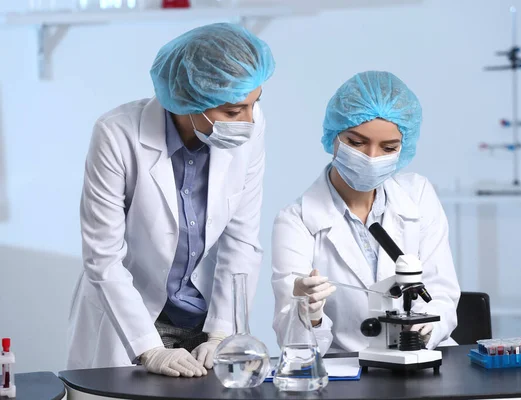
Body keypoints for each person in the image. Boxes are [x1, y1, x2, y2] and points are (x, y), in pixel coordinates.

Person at [66, 23, 275, 378]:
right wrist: (149, 349)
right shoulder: (117, 135)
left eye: (255, 104)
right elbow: (102, 256)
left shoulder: (249, 131)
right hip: (133, 321)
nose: (249, 122)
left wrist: (223, 331)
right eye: (232, 111)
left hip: (206, 321)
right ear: (191, 99)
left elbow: (241, 240)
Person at [271, 71, 460, 354]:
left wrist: (424, 330)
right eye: (356, 143)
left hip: (425, 357)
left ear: (403, 147)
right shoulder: (296, 221)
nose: (371, 157)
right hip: (347, 369)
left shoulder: (418, 196)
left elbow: (441, 292)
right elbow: (296, 345)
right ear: (334, 135)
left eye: (388, 147)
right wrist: (308, 312)